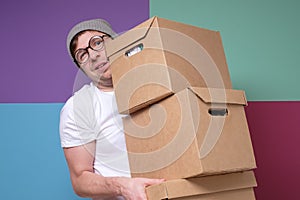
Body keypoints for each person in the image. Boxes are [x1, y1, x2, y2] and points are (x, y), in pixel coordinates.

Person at [59, 18, 164, 200]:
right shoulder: (78, 108)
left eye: (97, 43)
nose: (92, 56)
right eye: (82, 54)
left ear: (117, 42)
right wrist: (123, 187)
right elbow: (80, 180)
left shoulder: (158, 82)